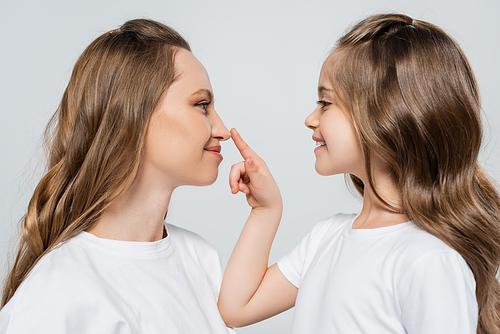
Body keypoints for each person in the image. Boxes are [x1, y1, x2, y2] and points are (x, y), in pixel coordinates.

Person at [218, 13, 500, 334]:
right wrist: (265, 210)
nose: (311, 118)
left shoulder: (429, 259)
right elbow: (236, 309)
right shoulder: (327, 237)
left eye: (325, 102)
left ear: (388, 117)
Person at [0, 19, 234, 333]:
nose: (222, 130)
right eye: (202, 105)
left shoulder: (200, 257)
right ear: (132, 112)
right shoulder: (58, 292)